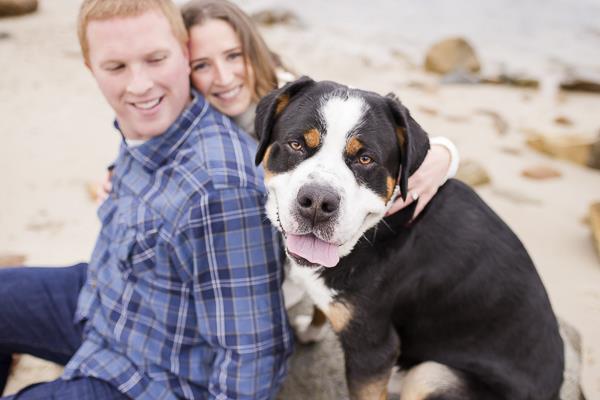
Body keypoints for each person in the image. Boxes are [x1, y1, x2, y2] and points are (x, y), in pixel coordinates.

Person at [0, 0, 291, 399]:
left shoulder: (220, 188)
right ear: (91, 69)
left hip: (155, 375)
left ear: (185, 55)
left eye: (155, 59)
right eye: (116, 67)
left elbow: (254, 354)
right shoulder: (152, 123)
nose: (139, 85)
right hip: (106, 304)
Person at [180, 0, 460, 219]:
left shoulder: (297, 98)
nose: (224, 77)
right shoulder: (195, 123)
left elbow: (366, 121)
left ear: (254, 50)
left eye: (233, 56)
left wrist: (446, 153)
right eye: (201, 65)